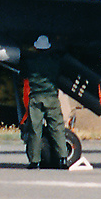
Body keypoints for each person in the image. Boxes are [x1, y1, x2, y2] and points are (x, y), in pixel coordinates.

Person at [20, 35, 67, 170]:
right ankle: (63, 159)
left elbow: (23, 74)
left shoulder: (30, 62)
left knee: (35, 130)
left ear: (36, 47)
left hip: (36, 99)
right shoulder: (55, 61)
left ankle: (35, 161)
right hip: (52, 98)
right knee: (57, 128)